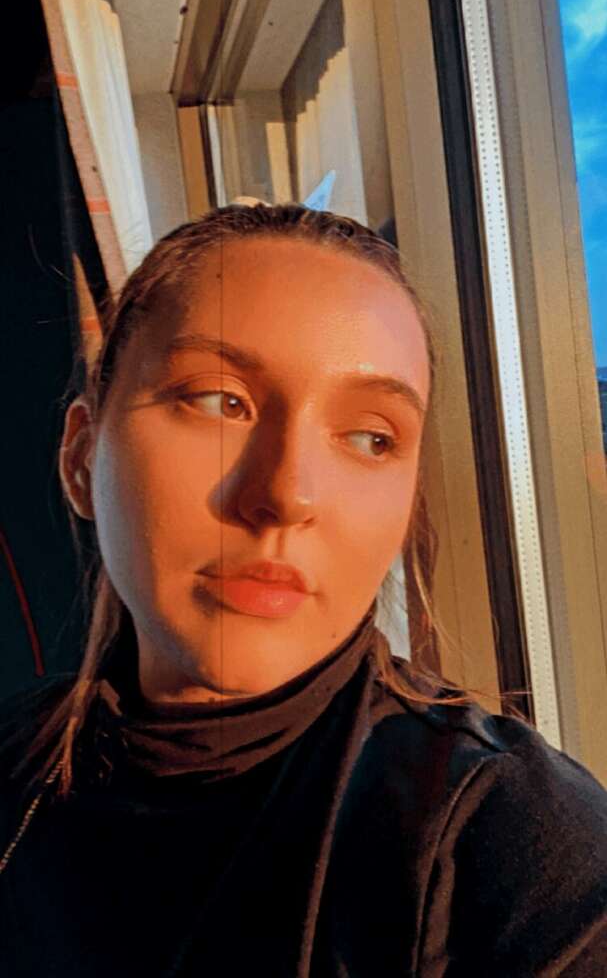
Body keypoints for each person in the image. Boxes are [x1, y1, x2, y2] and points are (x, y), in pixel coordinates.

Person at [1, 202, 606, 977]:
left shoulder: (513, 848)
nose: (286, 494)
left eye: (369, 438)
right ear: (83, 457)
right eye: (219, 402)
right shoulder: (15, 768)